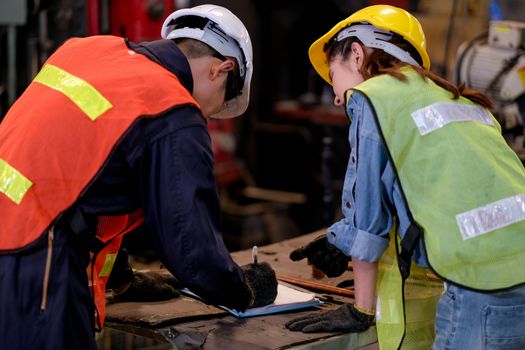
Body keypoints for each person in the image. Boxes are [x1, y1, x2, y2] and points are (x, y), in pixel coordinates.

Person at [0, 4, 278, 350]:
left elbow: (88, 174)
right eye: (220, 103)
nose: (209, 114)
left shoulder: (88, 49)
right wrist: (242, 290)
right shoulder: (172, 110)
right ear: (222, 69)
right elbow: (190, 244)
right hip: (33, 260)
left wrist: (120, 277)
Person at [285, 4, 525, 349]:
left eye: (333, 76)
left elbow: (368, 215)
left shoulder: (373, 97)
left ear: (356, 54)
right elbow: (427, 190)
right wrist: (342, 239)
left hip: (482, 285)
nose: (337, 98)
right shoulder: (461, 101)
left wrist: (361, 309)